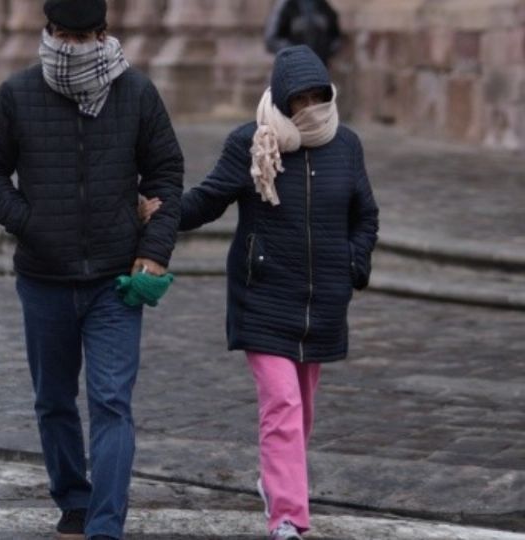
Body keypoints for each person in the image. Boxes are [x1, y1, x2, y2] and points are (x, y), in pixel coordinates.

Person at [141, 45, 379, 540]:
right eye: (301, 97)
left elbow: (365, 214)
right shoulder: (252, 142)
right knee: (283, 407)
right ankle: (289, 518)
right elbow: (207, 201)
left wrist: (353, 264)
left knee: (301, 411)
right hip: (264, 297)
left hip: (322, 302)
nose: (311, 105)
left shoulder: (346, 145)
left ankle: (274, 480)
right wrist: (161, 212)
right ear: (283, 98)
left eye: (319, 95)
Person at [0, 1, 184, 538]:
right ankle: (74, 499)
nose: (74, 47)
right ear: (48, 32)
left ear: (103, 34)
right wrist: (29, 221)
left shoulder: (136, 93)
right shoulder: (18, 94)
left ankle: (105, 525)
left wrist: (154, 248)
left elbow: (166, 173)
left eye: (84, 35)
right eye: (64, 34)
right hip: (43, 278)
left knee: (112, 401)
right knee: (54, 400)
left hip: (115, 281)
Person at [264, 0, 342, 65]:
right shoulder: (285, 5)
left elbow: (336, 36)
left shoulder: (322, 5)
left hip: (319, 69)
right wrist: (294, 53)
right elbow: (271, 39)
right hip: (293, 70)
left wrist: (325, 52)